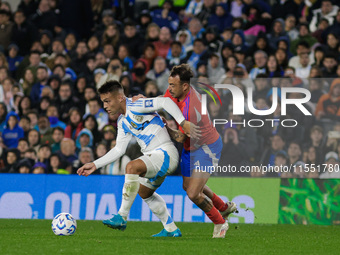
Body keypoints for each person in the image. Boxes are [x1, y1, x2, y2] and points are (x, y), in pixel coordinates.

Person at [77, 80, 197, 237]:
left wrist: (182, 122)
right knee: (144, 191)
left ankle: (122, 216)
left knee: (131, 167)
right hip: (155, 157)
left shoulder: (137, 105)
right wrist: (94, 164)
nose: (105, 106)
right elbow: (119, 150)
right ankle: (170, 228)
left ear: (120, 97)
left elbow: (165, 101)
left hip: (166, 153)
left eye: (107, 101)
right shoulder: (122, 122)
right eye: (103, 102)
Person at [161, 64, 237, 238]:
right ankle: (224, 208)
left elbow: (180, 137)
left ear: (185, 86)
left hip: (207, 148)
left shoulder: (192, 110)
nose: (169, 88)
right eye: (169, 84)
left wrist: (166, 127)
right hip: (191, 146)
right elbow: (163, 99)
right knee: (188, 186)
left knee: (194, 193)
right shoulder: (178, 91)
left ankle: (220, 222)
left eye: (173, 85)